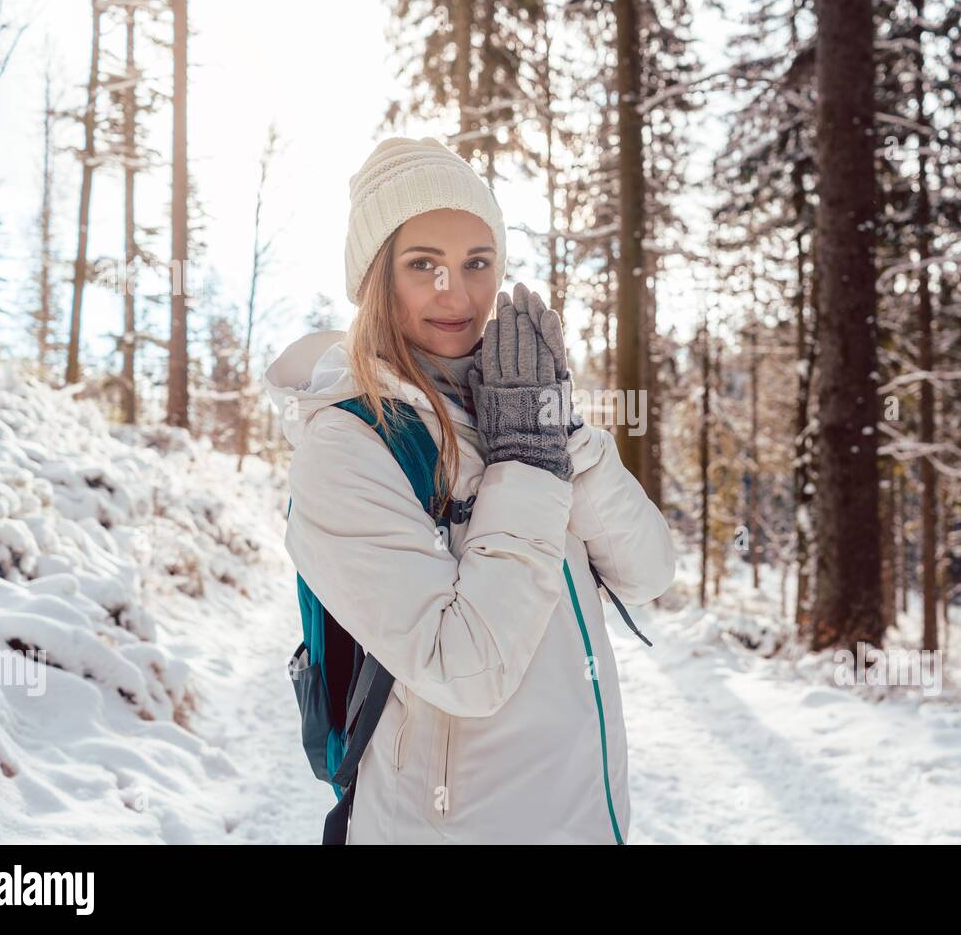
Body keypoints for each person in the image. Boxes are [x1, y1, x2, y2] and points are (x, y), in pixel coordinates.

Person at [264, 136, 676, 843]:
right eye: (424, 264)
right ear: (375, 281)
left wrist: (558, 428)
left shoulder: (515, 402)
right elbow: (467, 669)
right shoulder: (346, 446)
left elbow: (650, 571)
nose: (455, 291)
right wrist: (526, 461)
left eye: (476, 263)